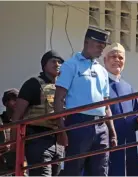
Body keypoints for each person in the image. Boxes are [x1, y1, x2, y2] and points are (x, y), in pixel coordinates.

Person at [54, 26, 117, 176]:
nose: (101, 50)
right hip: (78, 122)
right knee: (74, 169)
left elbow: (106, 104)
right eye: (98, 46)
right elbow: (58, 99)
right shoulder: (70, 65)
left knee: (100, 170)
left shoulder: (101, 70)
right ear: (87, 42)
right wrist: (61, 130)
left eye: (103, 47)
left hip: (101, 125)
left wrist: (112, 133)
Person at [10, 50, 64, 176]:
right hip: (37, 140)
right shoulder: (33, 84)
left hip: (57, 142)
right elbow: (17, 116)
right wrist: (15, 146)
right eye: (53, 61)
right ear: (44, 65)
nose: (57, 64)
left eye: (60, 62)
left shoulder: (62, 87)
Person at [101, 43, 138, 176]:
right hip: (108, 142)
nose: (117, 60)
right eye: (113, 56)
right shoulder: (99, 83)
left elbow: (134, 116)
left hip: (128, 145)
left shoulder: (128, 88)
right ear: (105, 60)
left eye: (121, 58)